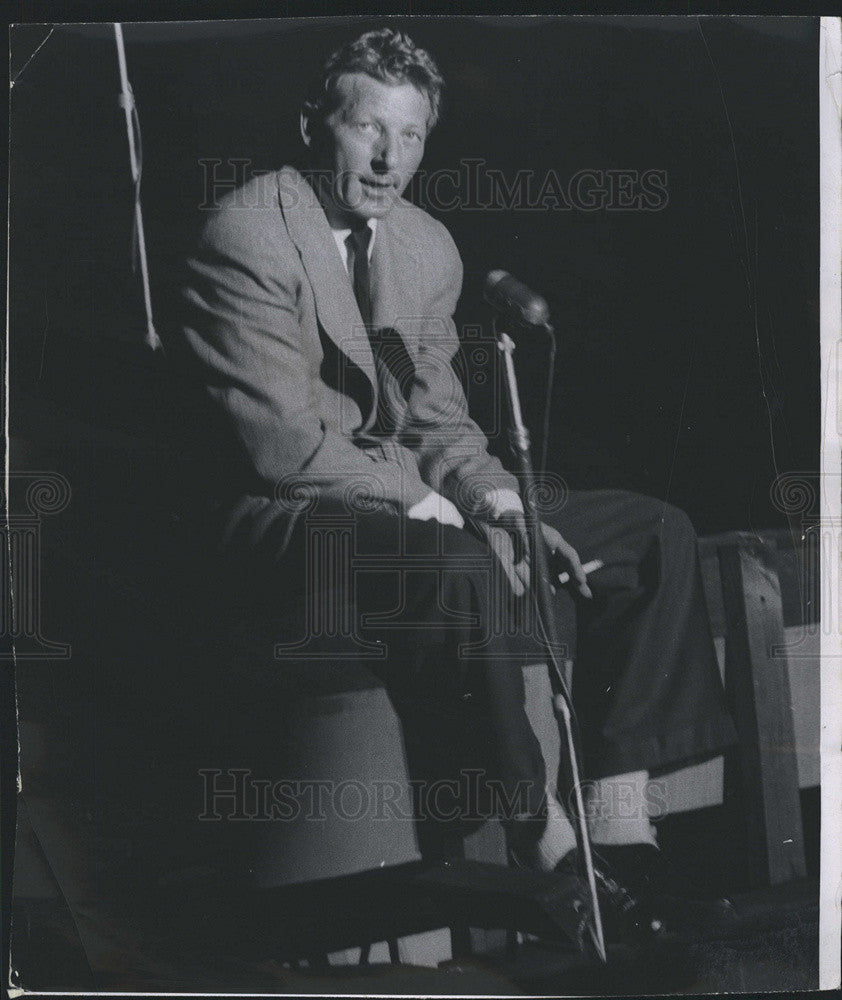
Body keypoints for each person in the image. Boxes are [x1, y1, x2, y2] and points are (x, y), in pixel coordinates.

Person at [177, 27, 739, 946]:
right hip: (286, 514)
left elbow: (440, 423)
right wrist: (432, 506)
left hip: (404, 499)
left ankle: (620, 835)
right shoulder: (245, 234)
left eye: (411, 137)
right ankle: (544, 843)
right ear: (315, 125)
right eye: (368, 130)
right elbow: (283, 445)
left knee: (653, 532)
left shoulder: (426, 245)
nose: (390, 158)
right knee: (453, 564)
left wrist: (499, 503)